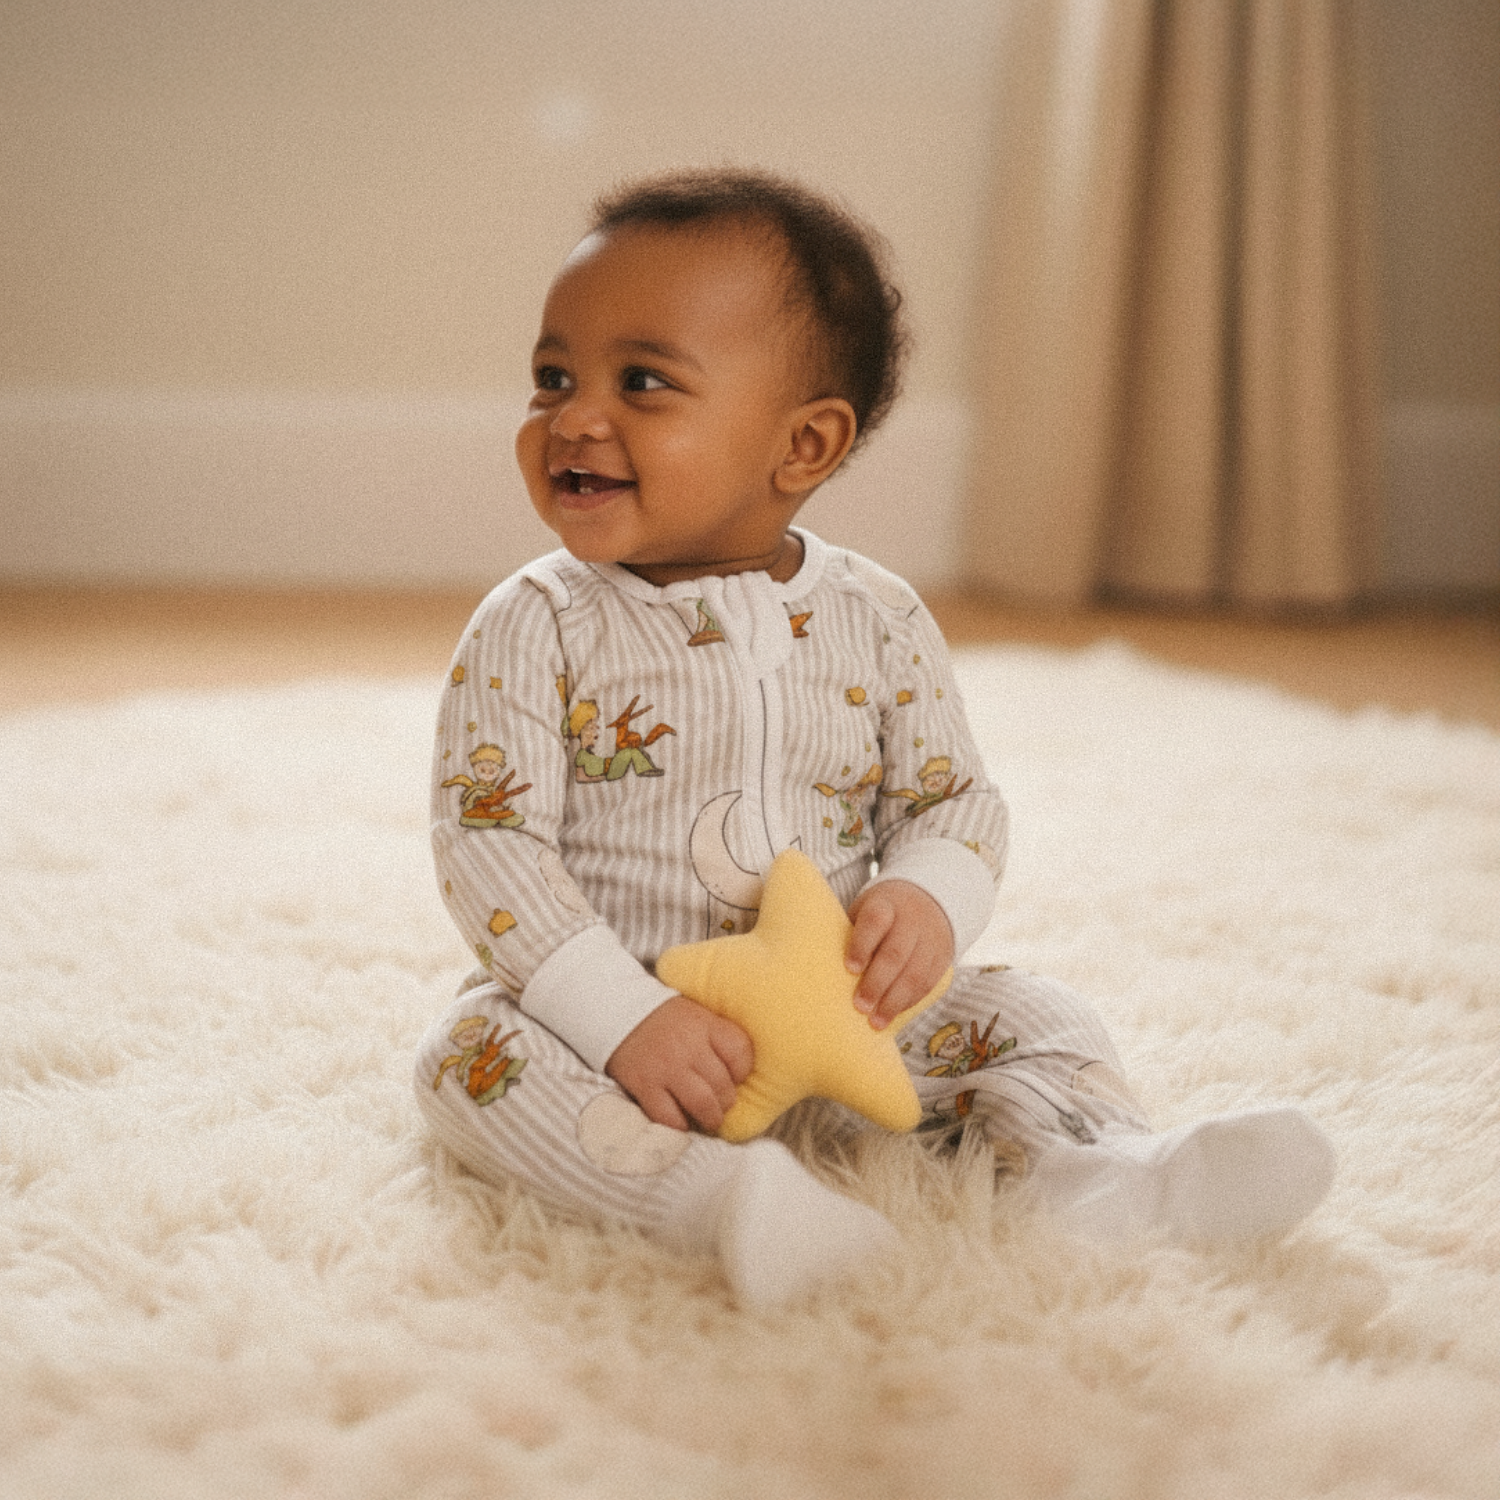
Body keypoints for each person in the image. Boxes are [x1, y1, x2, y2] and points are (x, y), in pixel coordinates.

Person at [414, 168, 1335, 1310]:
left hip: (855, 1021)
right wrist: (626, 1018)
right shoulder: (537, 623)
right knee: (469, 1062)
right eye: (553, 378)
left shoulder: (879, 616)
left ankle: (1099, 1171)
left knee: (1033, 1011)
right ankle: (719, 1203)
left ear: (803, 445)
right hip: (624, 1036)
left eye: (640, 382)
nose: (573, 419)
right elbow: (489, 845)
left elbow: (953, 802)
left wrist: (928, 899)